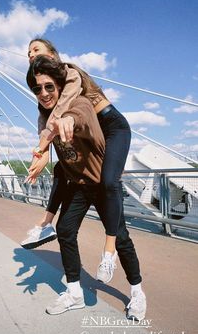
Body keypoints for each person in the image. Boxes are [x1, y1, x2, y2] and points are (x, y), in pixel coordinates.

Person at [25, 55, 146, 320]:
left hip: (100, 183)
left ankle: (137, 292)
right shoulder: (45, 117)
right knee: (65, 230)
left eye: (49, 87)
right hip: (78, 185)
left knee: (121, 238)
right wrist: (42, 151)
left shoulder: (79, 104)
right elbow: (47, 146)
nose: (43, 93)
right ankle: (74, 293)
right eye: (37, 88)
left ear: (60, 86)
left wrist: (67, 121)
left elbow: (79, 115)